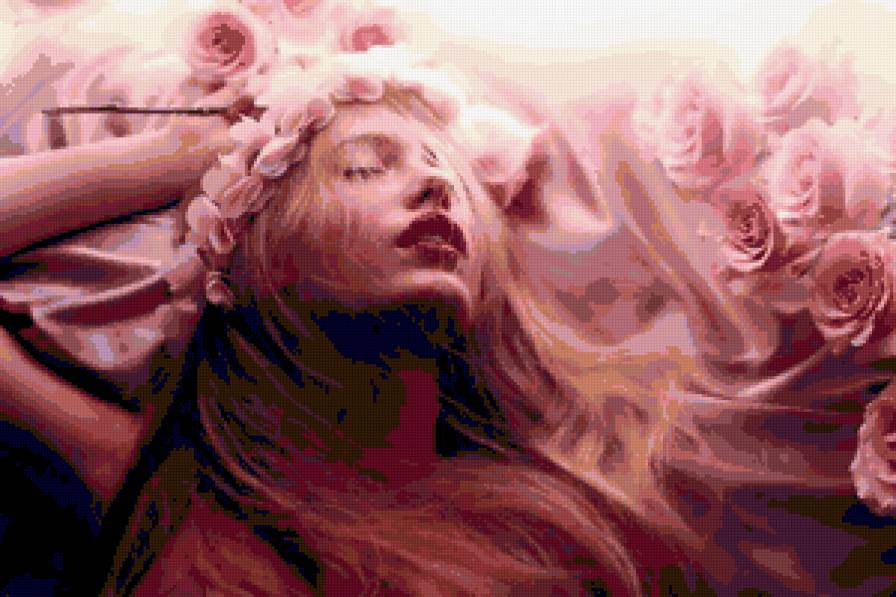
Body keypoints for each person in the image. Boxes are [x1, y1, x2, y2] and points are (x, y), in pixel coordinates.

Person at [2, 42, 896, 597]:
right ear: (248, 261)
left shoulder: (567, 496)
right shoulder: (180, 504)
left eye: (450, 178)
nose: (435, 183)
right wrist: (189, 157)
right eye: (365, 167)